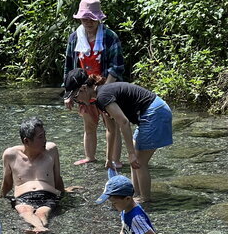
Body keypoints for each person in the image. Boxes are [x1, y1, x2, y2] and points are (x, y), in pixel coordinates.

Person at [64, 69, 172, 203]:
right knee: (135, 161)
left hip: (155, 112)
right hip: (151, 112)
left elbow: (124, 122)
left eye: (75, 96)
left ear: (84, 88)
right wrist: (109, 159)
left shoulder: (103, 96)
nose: (77, 101)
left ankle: (145, 199)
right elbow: (111, 130)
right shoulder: (99, 99)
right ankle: (135, 194)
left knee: (139, 161)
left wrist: (131, 154)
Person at [63, 0, 125, 168]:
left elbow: (117, 67)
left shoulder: (110, 37)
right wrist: (68, 94)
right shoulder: (74, 38)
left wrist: (105, 91)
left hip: (106, 86)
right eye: (84, 18)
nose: (88, 22)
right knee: (89, 125)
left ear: (98, 19)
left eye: (91, 19)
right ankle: (90, 157)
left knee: (111, 126)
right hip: (84, 91)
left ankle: (115, 160)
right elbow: (69, 68)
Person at [0, 117, 64, 234]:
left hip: (48, 195)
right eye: (40, 137)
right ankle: (40, 227)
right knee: (25, 211)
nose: (45, 140)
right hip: (23, 197)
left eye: (44, 135)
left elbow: (57, 177)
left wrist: (64, 192)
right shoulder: (11, 155)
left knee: (42, 213)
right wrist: (0, 196)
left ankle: (38, 227)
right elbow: (7, 182)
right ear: (27, 141)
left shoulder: (52, 150)